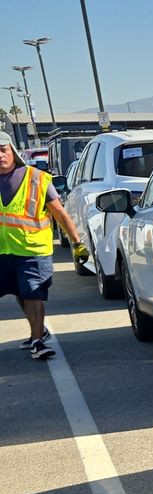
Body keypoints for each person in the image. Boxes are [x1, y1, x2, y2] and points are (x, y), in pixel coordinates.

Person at [0, 129, 89, 360]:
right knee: (21, 292)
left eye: (3, 150)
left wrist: (77, 242)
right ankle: (37, 331)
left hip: (32, 250)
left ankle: (38, 342)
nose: (0, 155)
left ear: (12, 152)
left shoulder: (37, 179)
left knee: (32, 292)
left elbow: (59, 213)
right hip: (3, 251)